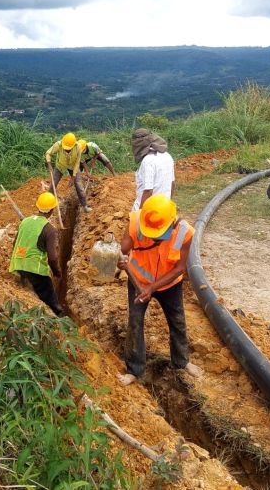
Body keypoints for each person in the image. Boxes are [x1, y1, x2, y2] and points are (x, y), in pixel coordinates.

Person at [116, 194, 202, 385]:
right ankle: (134, 370)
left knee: (177, 321)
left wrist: (152, 287)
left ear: (172, 222)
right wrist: (121, 257)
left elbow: (180, 268)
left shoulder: (184, 232)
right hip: (138, 282)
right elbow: (123, 248)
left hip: (169, 285)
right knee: (135, 322)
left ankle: (182, 361)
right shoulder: (137, 221)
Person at [9, 192, 65, 316]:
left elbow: (15, 243)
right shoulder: (50, 229)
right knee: (51, 299)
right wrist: (57, 272)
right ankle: (58, 321)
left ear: (38, 207)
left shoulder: (25, 222)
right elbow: (53, 257)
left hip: (17, 265)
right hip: (35, 270)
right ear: (51, 211)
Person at [45, 132, 91, 213]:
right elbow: (48, 153)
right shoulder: (58, 145)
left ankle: (84, 206)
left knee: (79, 186)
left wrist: (73, 177)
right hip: (60, 166)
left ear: (74, 145)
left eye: (69, 148)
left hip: (73, 167)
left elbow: (77, 163)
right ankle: (47, 206)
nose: (67, 149)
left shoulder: (78, 147)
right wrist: (49, 164)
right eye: (65, 148)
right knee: (53, 184)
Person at [131, 128, 175, 210]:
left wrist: (140, 213)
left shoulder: (148, 161)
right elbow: (172, 184)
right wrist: (169, 203)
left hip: (149, 212)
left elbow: (148, 191)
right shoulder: (167, 155)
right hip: (164, 208)